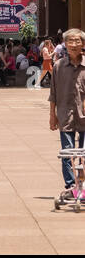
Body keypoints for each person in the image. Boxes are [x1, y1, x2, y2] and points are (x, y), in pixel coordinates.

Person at [48, 28, 85, 204]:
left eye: (77, 41)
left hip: (84, 116)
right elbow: (53, 93)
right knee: (67, 154)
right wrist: (52, 116)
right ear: (65, 44)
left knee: (84, 155)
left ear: (83, 44)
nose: (74, 44)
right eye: (70, 41)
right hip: (65, 115)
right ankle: (71, 186)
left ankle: (83, 186)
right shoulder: (58, 66)